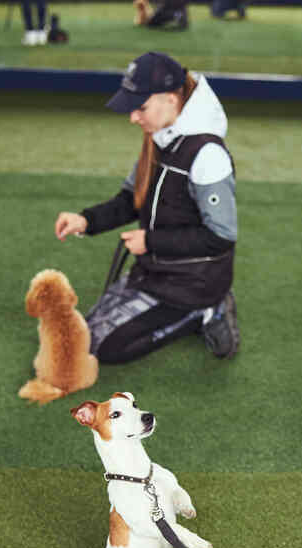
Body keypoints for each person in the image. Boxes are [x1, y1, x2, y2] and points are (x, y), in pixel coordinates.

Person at [54, 52, 240, 363]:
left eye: (140, 108)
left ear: (170, 99)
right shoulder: (159, 137)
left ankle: (206, 312)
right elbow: (131, 200)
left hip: (193, 283)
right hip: (152, 271)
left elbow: (221, 237)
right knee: (81, 339)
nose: (132, 118)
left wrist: (150, 241)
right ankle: (189, 310)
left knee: (105, 350)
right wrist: (86, 221)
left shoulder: (208, 155)